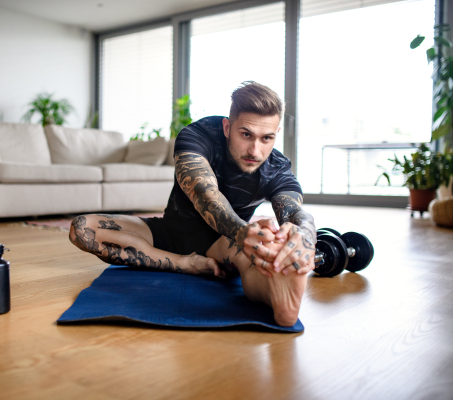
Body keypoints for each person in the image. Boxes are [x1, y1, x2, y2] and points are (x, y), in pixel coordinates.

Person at [69, 81, 316, 327]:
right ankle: (185, 264)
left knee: (254, 256)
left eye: (267, 138)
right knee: (82, 228)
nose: (255, 150)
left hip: (221, 243)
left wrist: (304, 235)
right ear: (227, 127)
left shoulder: (277, 169)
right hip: (170, 231)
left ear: (276, 134)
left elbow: (295, 212)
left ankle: (278, 294)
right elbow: (204, 193)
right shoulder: (199, 134)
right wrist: (239, 233)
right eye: (246, 134)